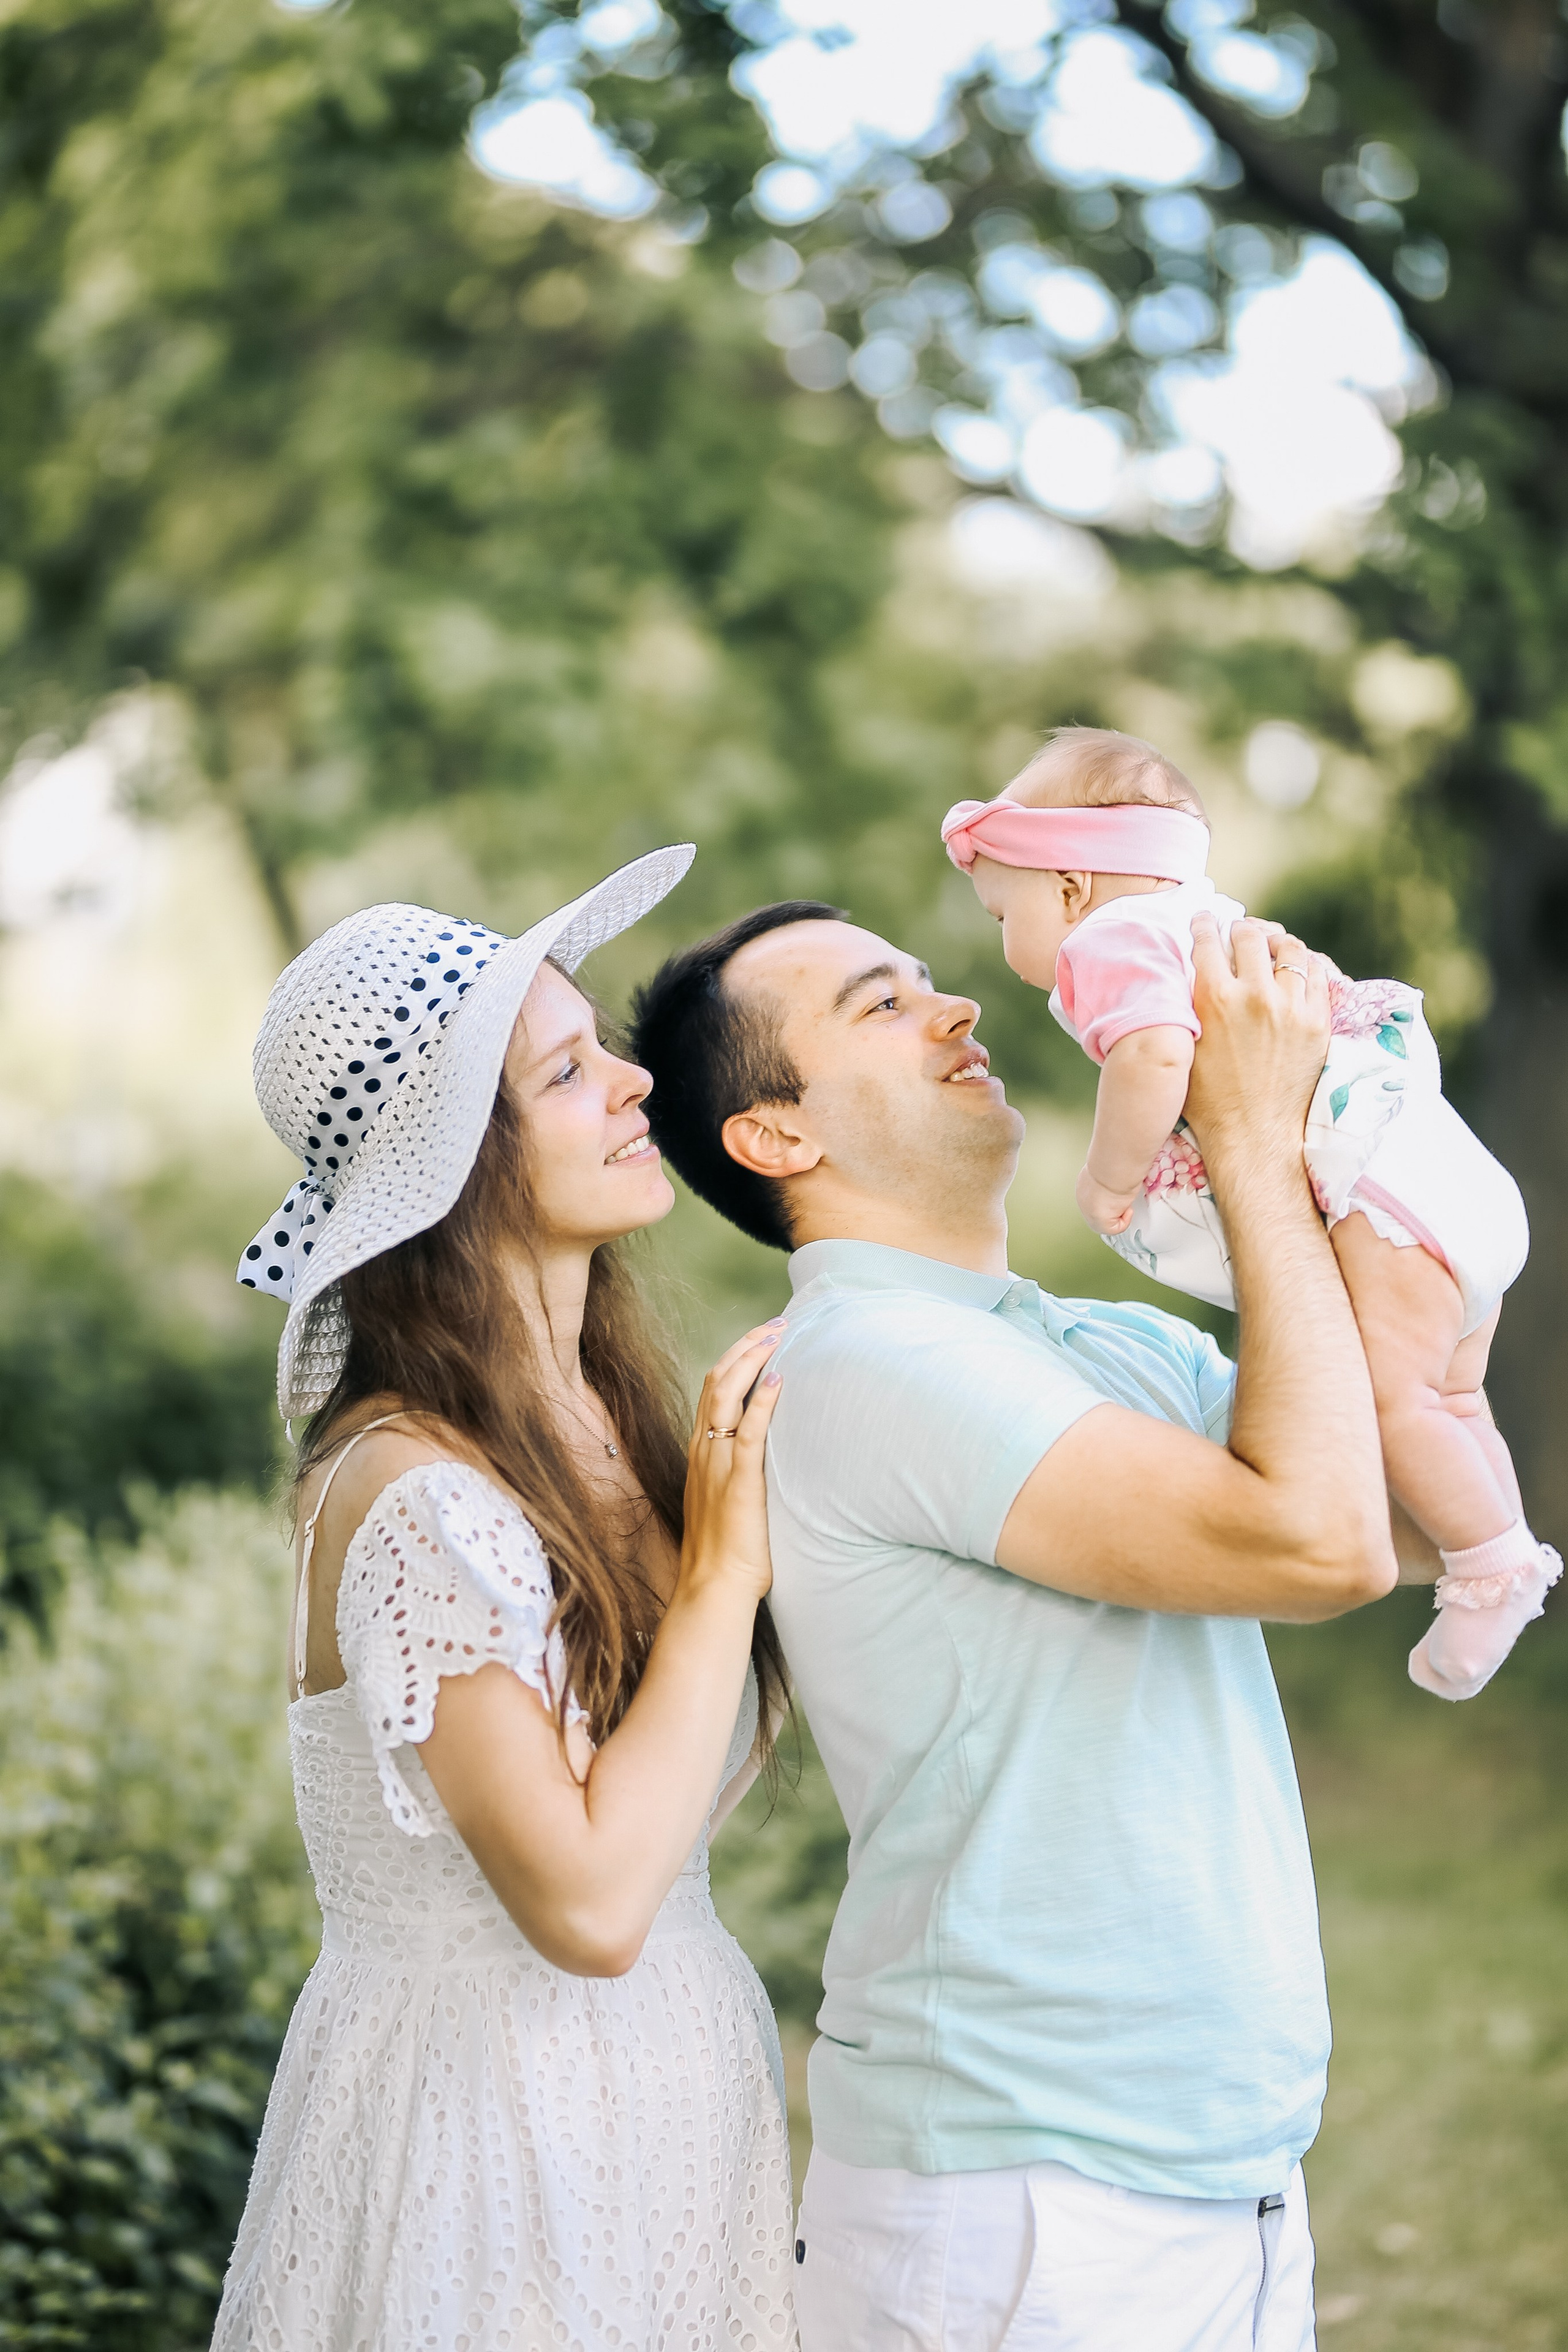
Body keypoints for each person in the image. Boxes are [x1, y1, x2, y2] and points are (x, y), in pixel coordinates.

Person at [630, 890, 1405, 2352]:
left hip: (1210, 2178)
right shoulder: (866, 1362)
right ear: (775, 1136)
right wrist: (1238, 1138)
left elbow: (1401, 1507)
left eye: (930, 978)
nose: (959, 1005)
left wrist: (1352, 1131)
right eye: (878, 1002)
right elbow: (1320, 1543)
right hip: (1025, 2214)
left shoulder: (1087, 1338)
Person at [214, 848, 799, 2352]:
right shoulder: (418, 1498)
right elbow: (592, 1905)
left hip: (664, 2097)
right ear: (458, 1165)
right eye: (567, 1071)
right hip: (496, 2139)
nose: (630, 1086)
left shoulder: (603, 1423)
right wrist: (724, 1570)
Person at [942, 726, 1556, 1704]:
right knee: (1448, 1400)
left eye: (998, 910)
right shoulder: (1206, 921)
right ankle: (1494, 1546)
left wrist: (1110, 1176)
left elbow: (1150, 1059)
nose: (1003, 941)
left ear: (1066, 887)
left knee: (1401, 1402)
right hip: (1442, 1182)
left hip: (1380, 1201)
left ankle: (1491, 1565)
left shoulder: (1107, 941)